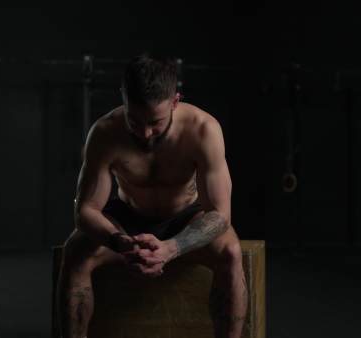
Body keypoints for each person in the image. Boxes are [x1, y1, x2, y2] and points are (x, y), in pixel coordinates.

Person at [57, 53, 246, 338]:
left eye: (155, 122)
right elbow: (85, 209)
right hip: (128, 217)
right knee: (75, 251)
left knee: (231, 253)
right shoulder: (105, 132)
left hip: (185, 217)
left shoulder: (204, 130)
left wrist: (173, 247)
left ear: (175, 101)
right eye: (135, 121)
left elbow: (220, 213)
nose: (145, 133)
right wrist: (122, 244)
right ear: (123, 100)